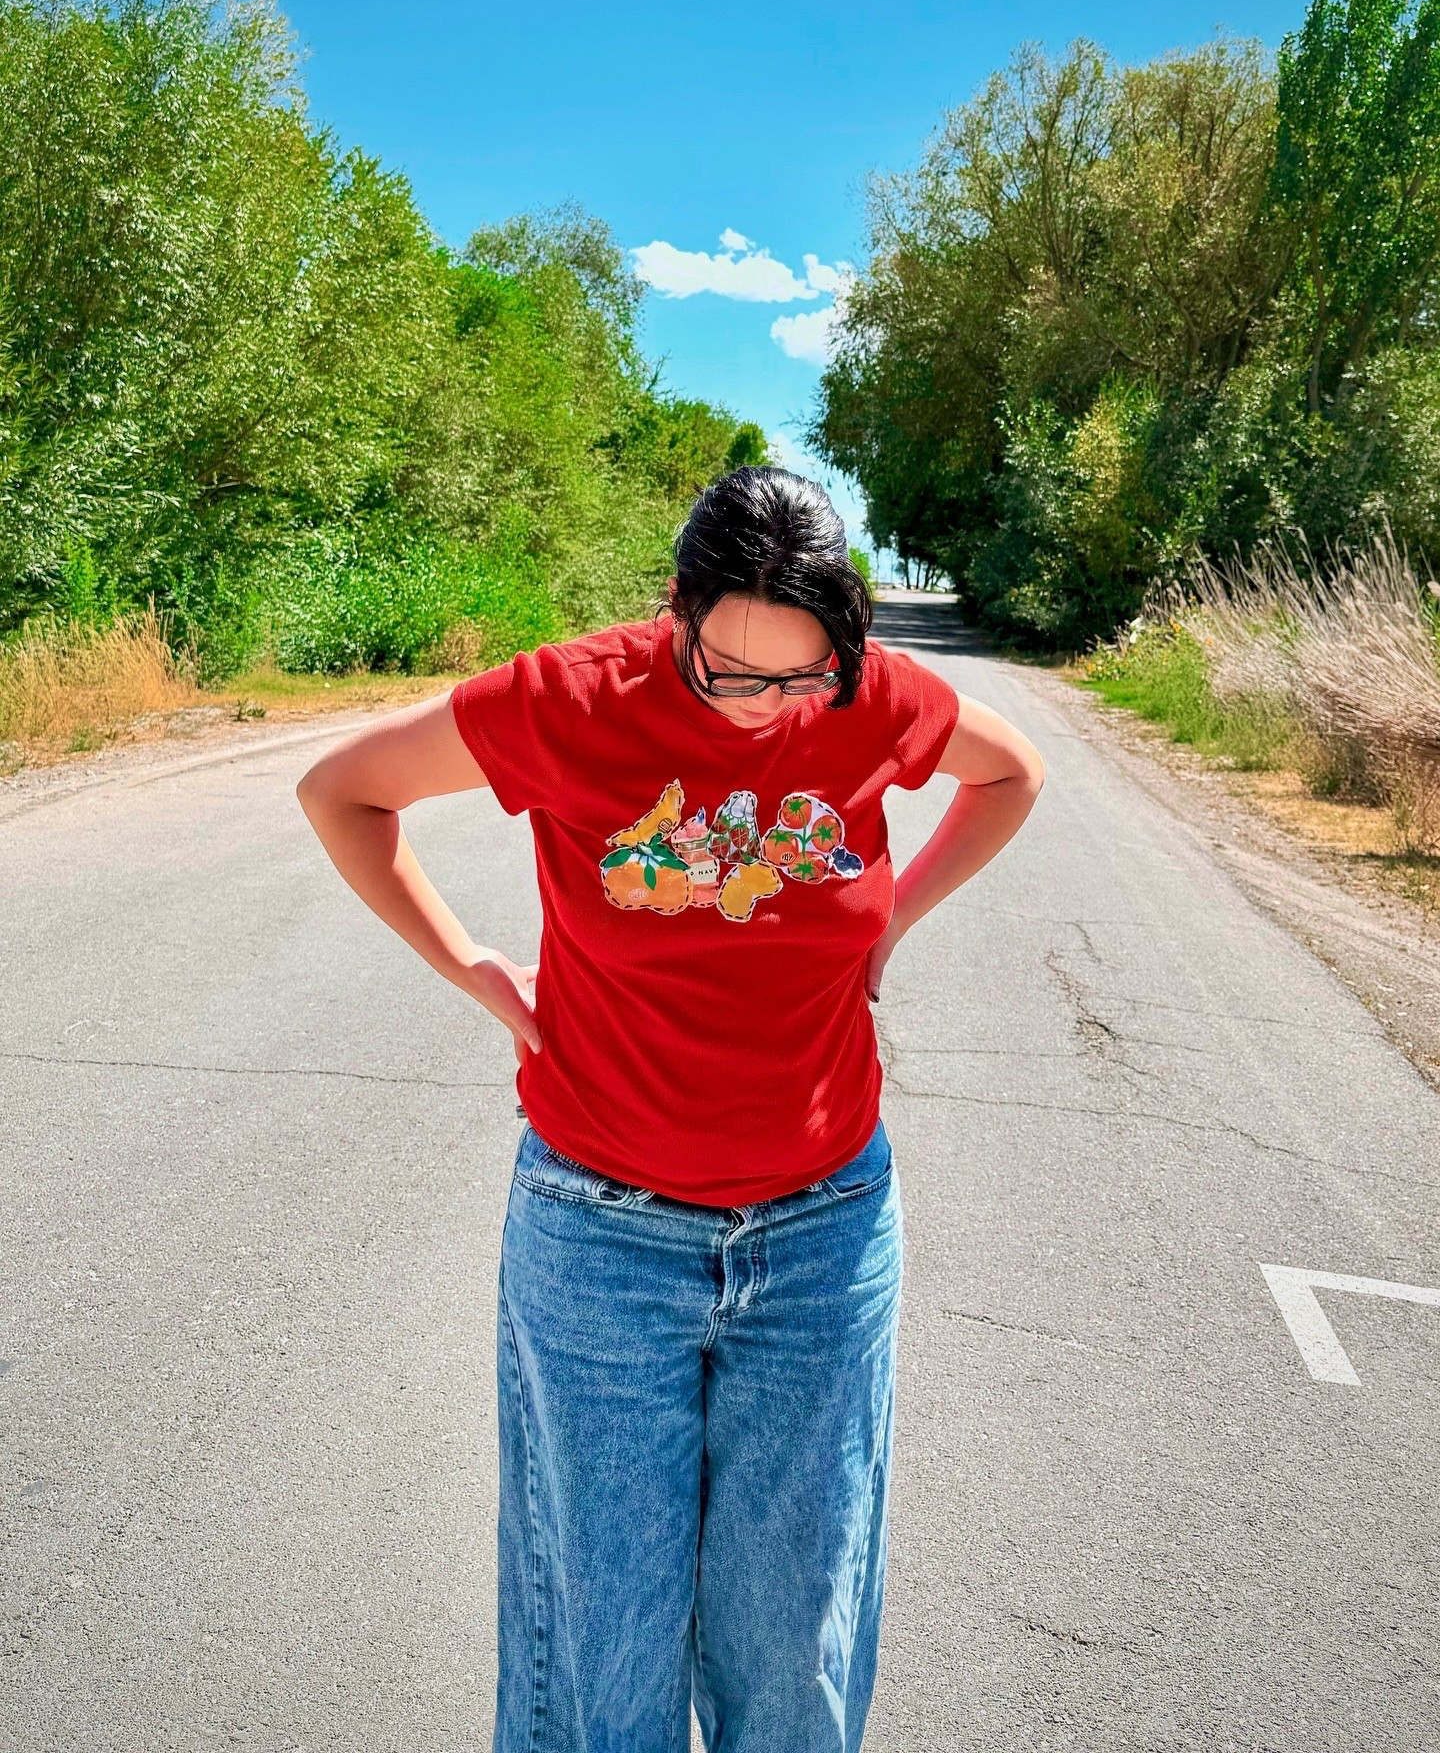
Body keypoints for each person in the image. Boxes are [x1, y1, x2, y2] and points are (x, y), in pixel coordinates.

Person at [295, 465, 1045, 1752]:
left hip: (824, 1238)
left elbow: (1010, 774)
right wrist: (474, 963)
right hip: (600, 1240)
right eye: (726, 674)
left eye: (798, 678)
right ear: (674, 610)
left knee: (794, 1656)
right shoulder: (569, 698)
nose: (763, 711)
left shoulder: (871, 697)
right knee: (601, 1659)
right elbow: (343, 791)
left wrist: (897, 916)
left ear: (846, 638)